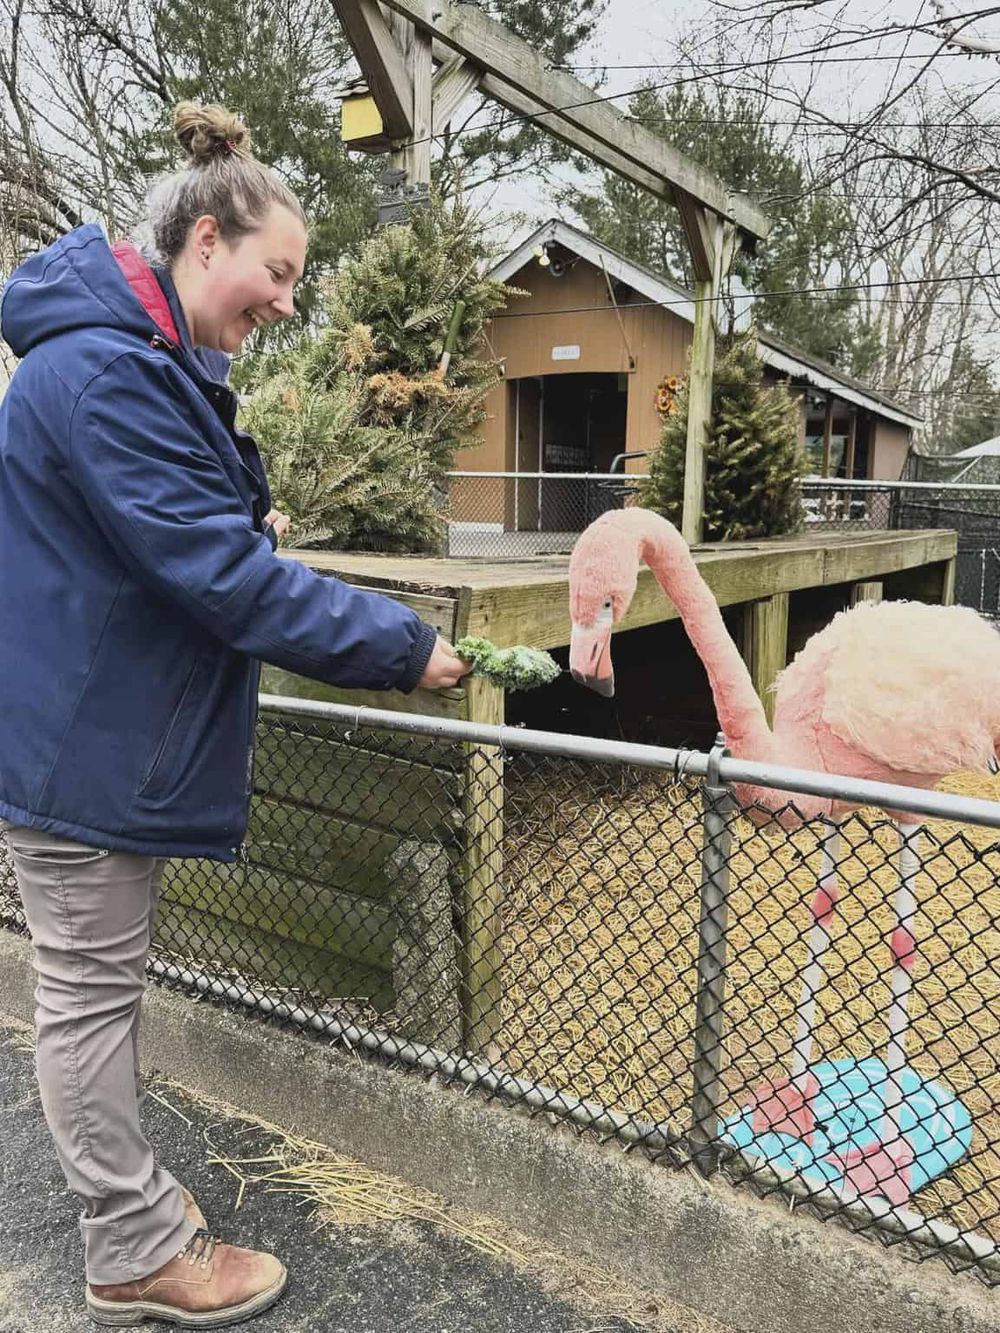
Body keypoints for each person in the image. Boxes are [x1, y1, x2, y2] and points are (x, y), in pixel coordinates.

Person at [0, 101, 471, 1328]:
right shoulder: (108, 371)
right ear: (205, 241)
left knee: (88, 996)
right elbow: (218, 578)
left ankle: (133, 1226)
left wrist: (234, 517)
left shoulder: (131, 363)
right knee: (90, 1007)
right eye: (278, 272)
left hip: (86, 730)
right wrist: (403, 644)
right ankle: (135, 1249)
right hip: (88, 751)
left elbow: (168, 540)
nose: (286, 301)